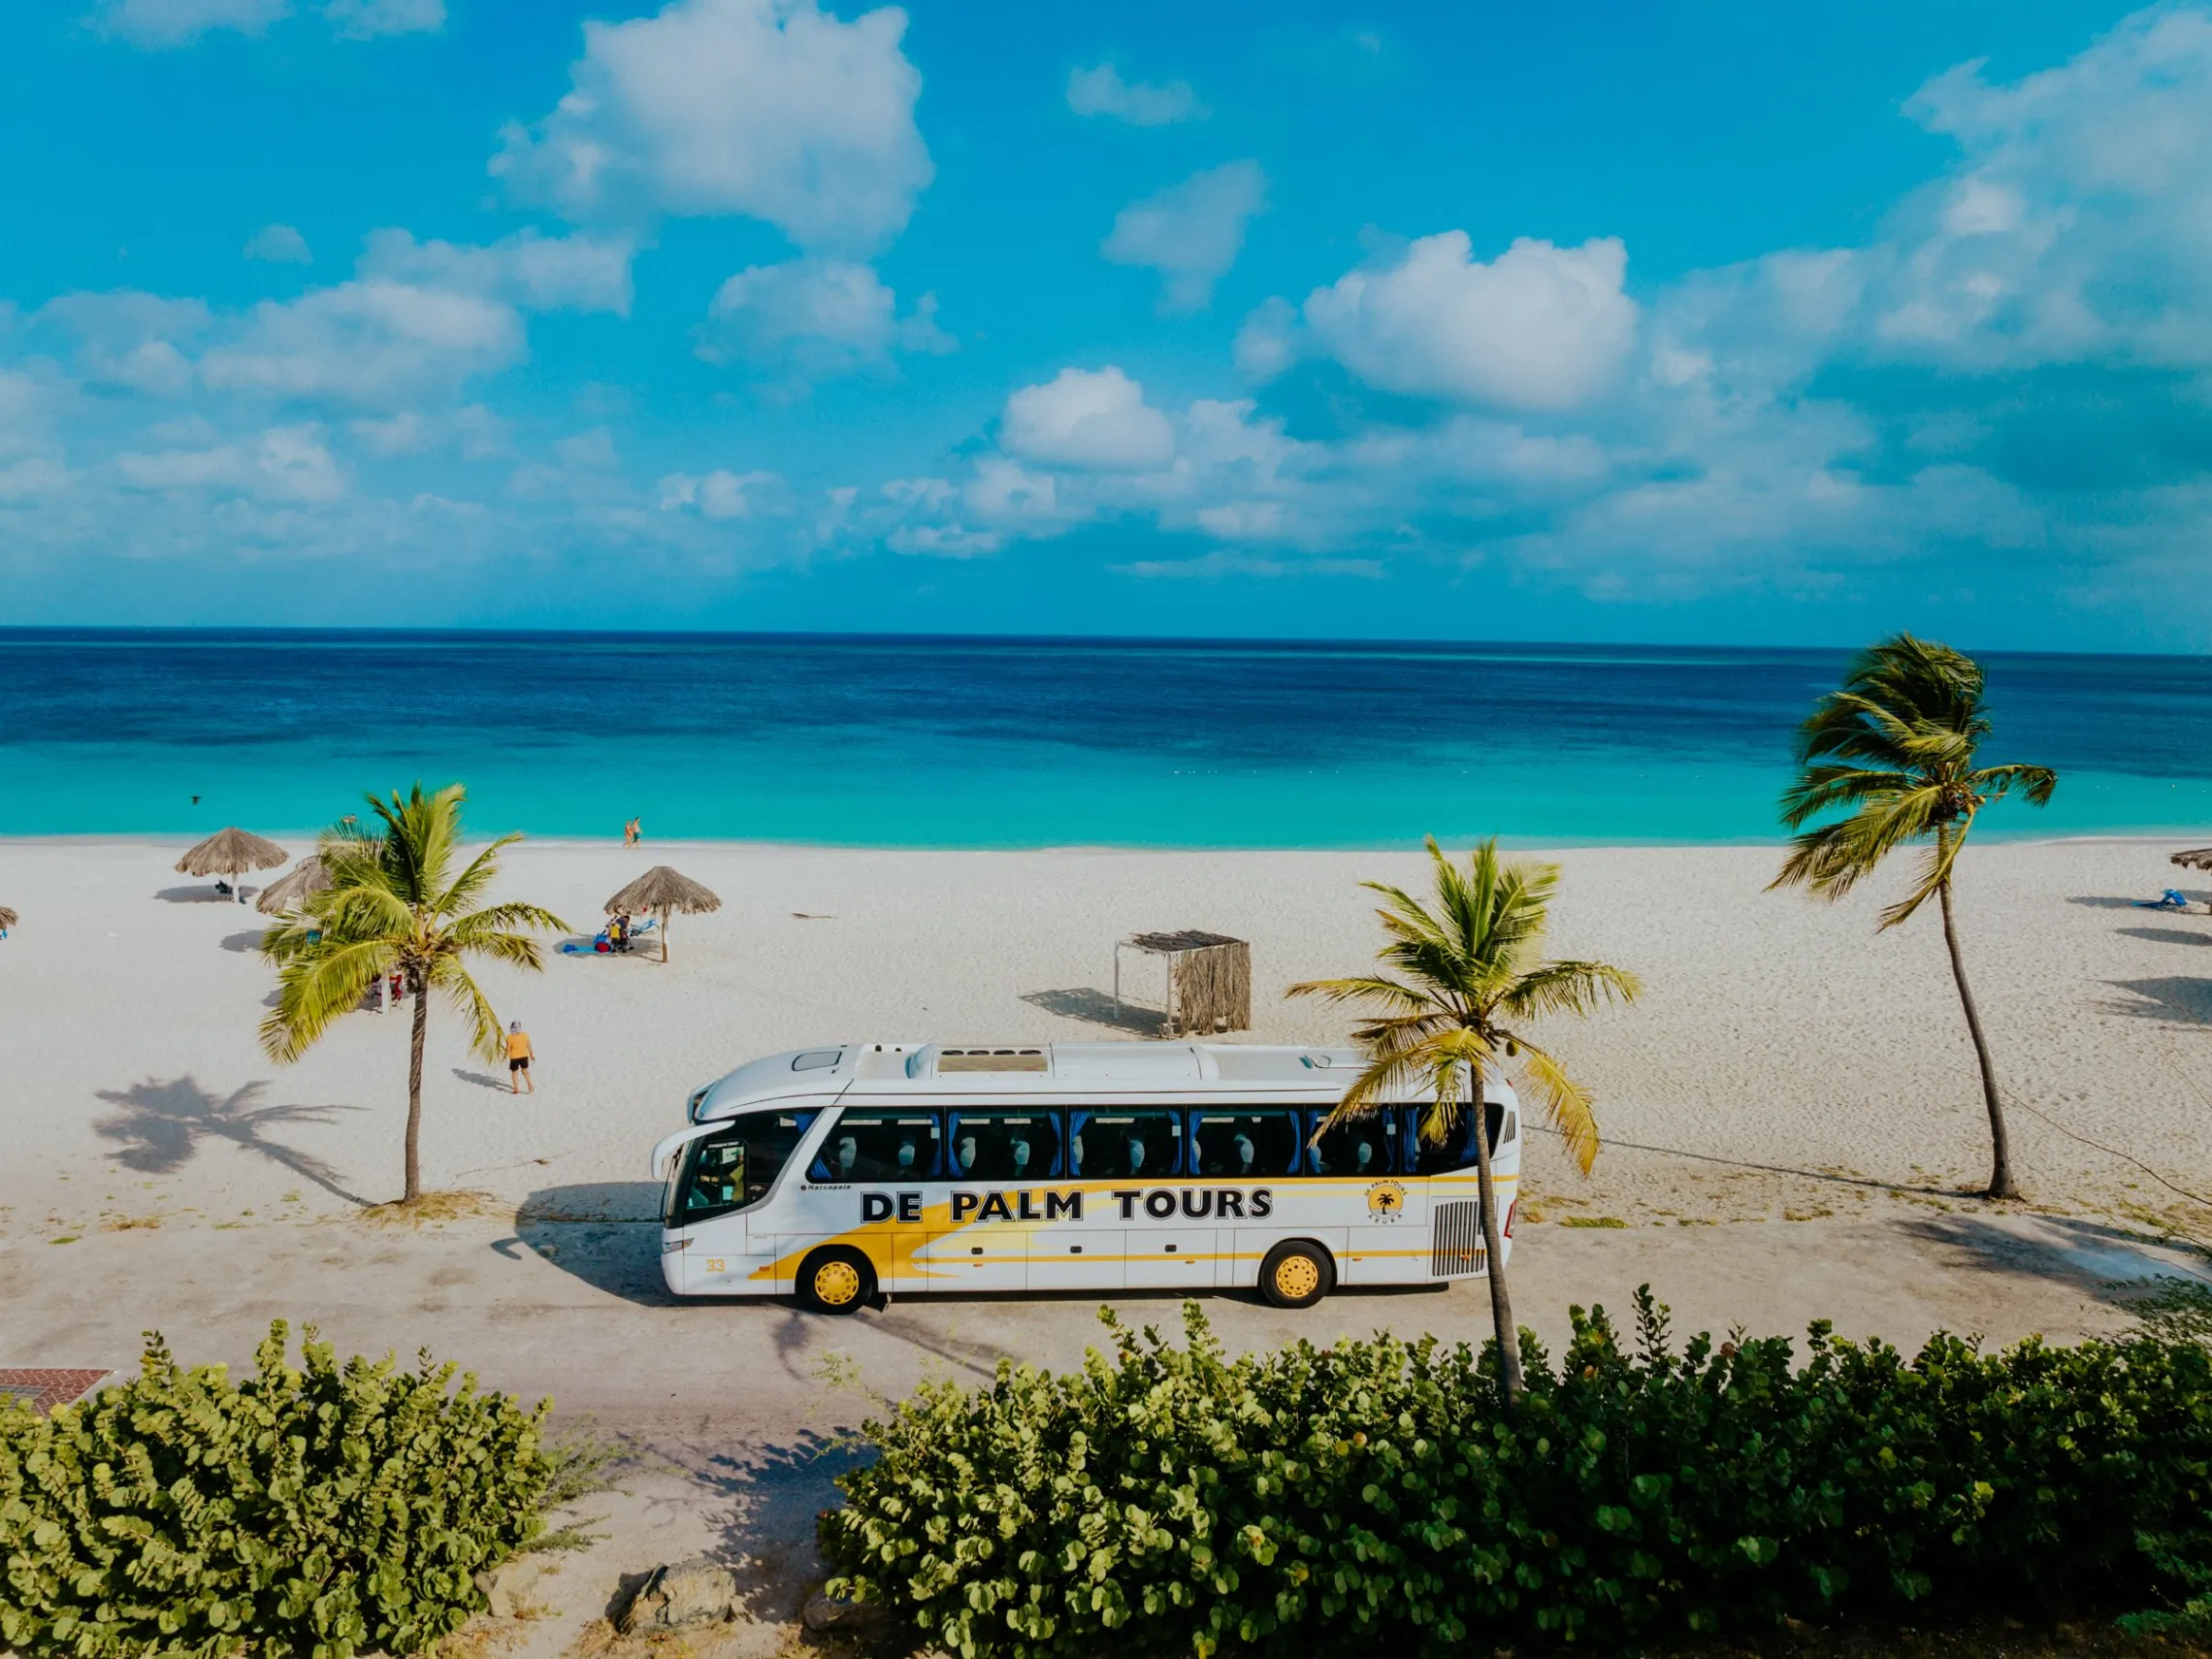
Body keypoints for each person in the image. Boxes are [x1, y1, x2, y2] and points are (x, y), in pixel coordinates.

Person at [505, 1020, 535, 1093]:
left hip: (514, 1057)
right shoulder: (524, 1035)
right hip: (524, 1056)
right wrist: (531, 1054)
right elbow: (529, 1045)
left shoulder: (509, 1037)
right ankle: (530, 1084)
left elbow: (508, 1049)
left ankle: (517, 1089)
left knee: (514, 1073)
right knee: (525, 1070)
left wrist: (504, 1055)